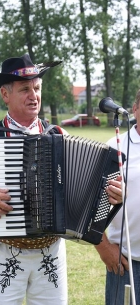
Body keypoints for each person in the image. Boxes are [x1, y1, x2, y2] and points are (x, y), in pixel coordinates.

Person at [0, 54, 123, 305]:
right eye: (25, 89)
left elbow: (89, 188)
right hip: (1, 253)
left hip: (52, 254)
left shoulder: (59, 135)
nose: (33, 95)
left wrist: (111, 193)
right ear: (5, 95)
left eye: (36, 88)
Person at [95, 89, 140, 305]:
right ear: (135, 109)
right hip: (125, 262)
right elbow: (87, 202)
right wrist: (103, 247)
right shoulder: (115, 146)